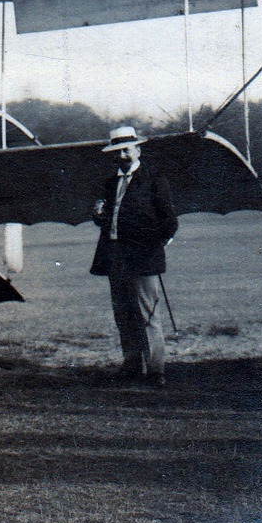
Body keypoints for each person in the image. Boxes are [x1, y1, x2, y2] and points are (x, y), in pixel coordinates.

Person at [90, 126, 179, 386]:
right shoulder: (110, 183)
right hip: (115, 256)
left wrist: (155, 245)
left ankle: (155, 370)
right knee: (123, 313)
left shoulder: (154, 180)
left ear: (137, 150)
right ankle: (131, 366)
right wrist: (98, 215)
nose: (123, 156)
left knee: (148, 314)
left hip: (143, 256)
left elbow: (170, 222)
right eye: (117, 152)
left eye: (127, 150)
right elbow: (107, 222)